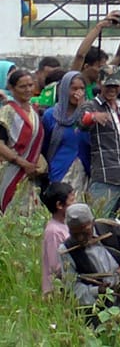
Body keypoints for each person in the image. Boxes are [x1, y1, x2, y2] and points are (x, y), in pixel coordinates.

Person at [79, 66, 120, 222]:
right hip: (104, 178)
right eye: (108, 85)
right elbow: (81, 120)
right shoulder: (91, 105)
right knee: (99, 224)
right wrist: (93, 117)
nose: (112, 89)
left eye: (115, 85)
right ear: (99, 83)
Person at [59, 203, 120, 306]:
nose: (80, 238)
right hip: (100, 305)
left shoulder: (112, 227)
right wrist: (97, 291)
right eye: (75, 234)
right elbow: (72, 288)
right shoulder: (66, 250)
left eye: (85, 231)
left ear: (92, 222)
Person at [0, 70, 45, 214]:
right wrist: (22, 163)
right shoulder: (7, 112)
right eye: (22, 86)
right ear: (12, 88)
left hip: (30, 172)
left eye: (30, 85)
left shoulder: (34, 111)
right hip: (11, 170)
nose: (28, 90)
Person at [42, 71, 91, 198]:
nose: (78, 93)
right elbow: (44, 146)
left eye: (82, 89)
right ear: (64, 90)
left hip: (84, 171)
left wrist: (83, 110)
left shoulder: (90, 115)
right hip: (58, 170)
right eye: (74, 88)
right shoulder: (51, 115)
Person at [41, 182, 75, 295]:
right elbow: (56, 266)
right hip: (58, 291)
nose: (75, 205)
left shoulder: (67, 225)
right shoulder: (53, 232)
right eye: (71, 201)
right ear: (59, 205)